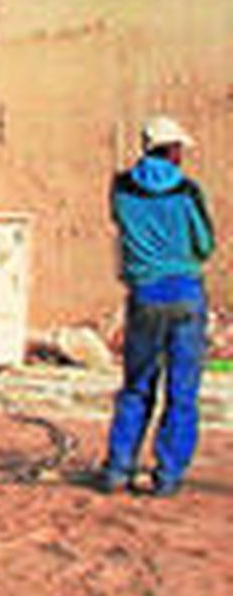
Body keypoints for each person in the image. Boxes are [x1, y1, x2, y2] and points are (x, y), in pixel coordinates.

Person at [99, 115, 216, 497]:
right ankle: (166, 475)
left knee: (136, 386)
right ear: (173, 150)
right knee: (182, 392)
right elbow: (204, 245)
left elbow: (120, 222)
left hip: (144, 297)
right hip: (185, 294)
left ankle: (119, 468)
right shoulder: (186, 192)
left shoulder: (121, 189)